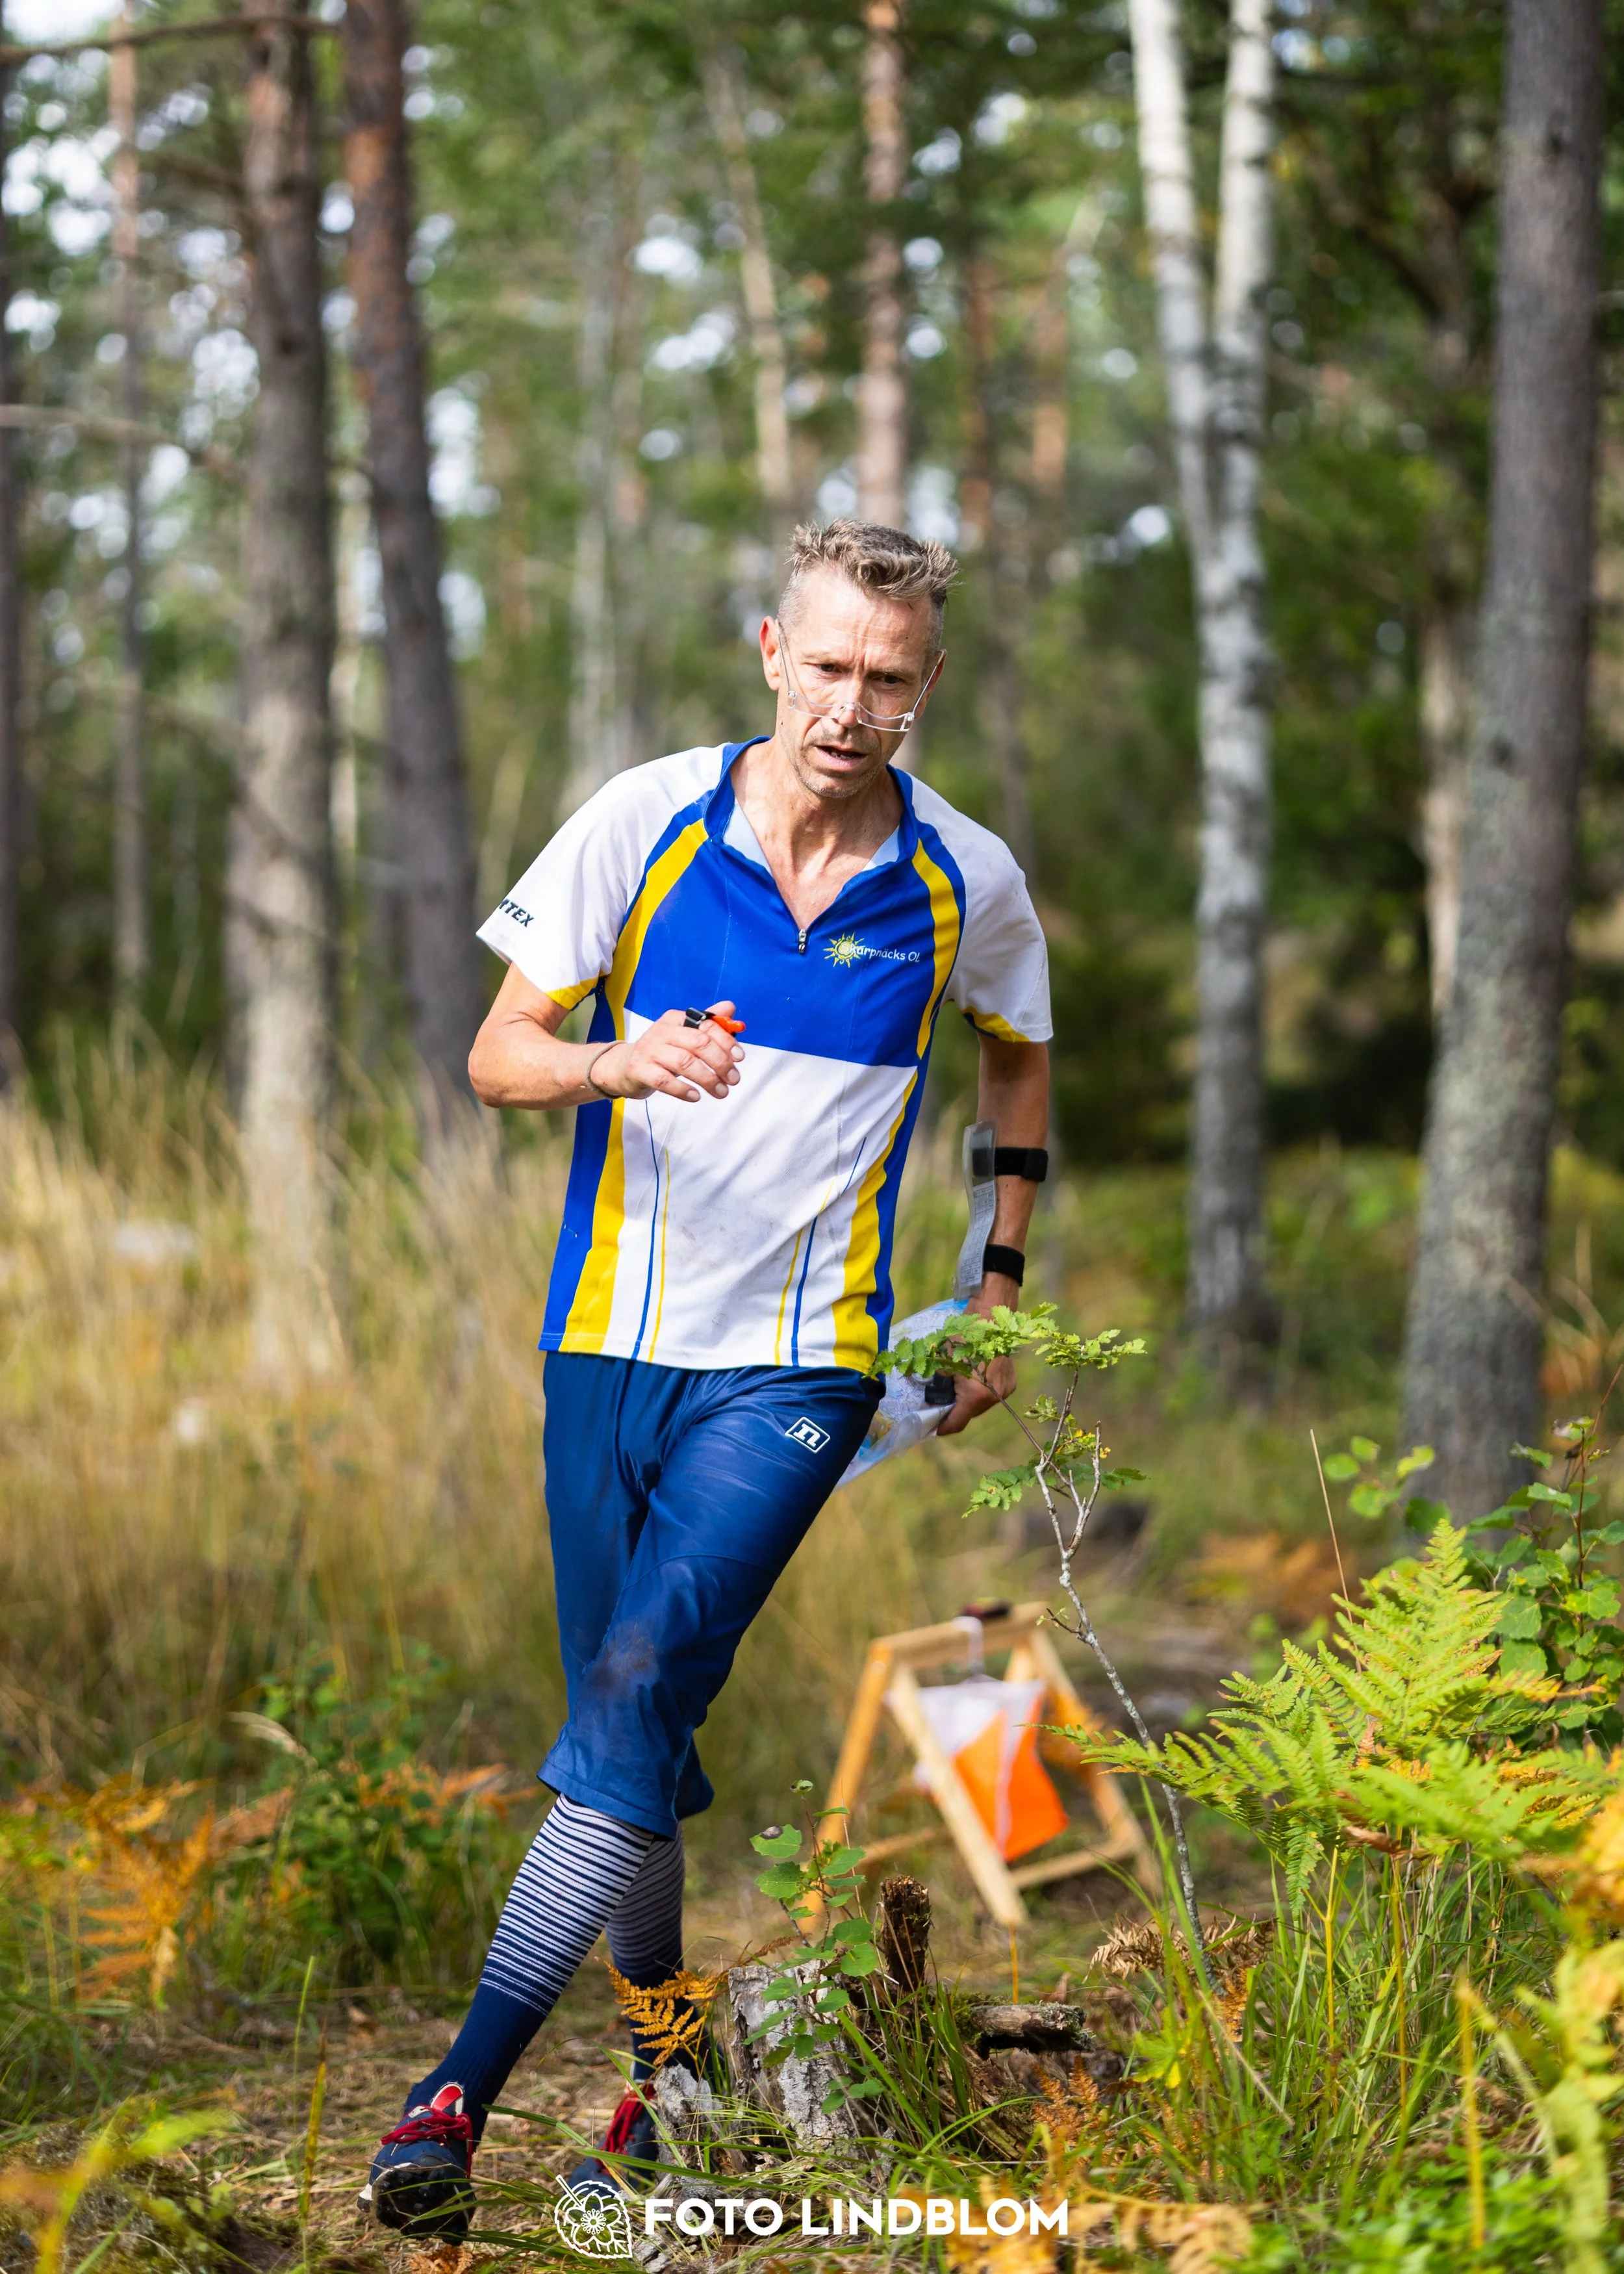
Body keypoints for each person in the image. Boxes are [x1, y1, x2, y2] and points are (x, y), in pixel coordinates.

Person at [361, 519, 1052, 2236]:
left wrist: (994, 1273)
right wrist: (618, 1057)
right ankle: (674, 2042)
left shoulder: (965, 878)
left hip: (800, 1367)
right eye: (824, 666)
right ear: (769, 649)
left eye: (887, 679)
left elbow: (1021, 1054)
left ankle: (456, 2084)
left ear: (925, 686)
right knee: (628, 1717)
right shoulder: (645, 821)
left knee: (642, 1677)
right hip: (605, 1339)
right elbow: (496, 1051)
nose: (850, 704)